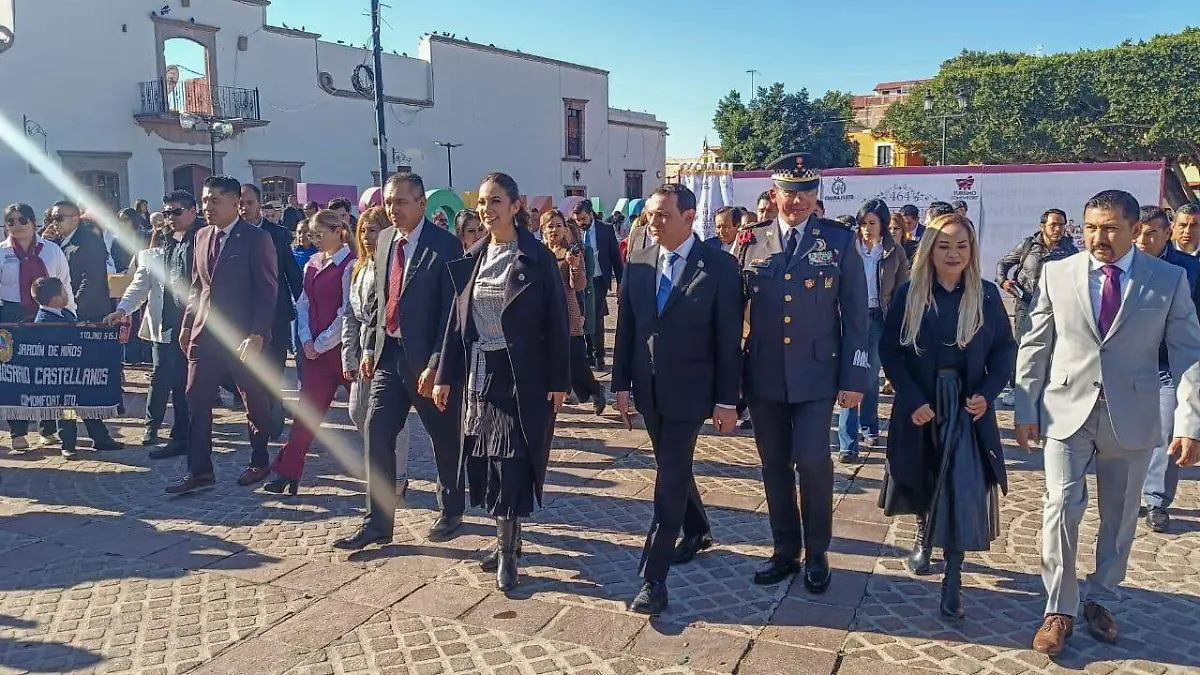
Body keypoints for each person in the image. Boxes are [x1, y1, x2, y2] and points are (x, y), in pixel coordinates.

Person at [1015, 190, 1200, 657]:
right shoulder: (1059, 273)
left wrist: (1189, 422)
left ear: (1135, 230)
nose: (1099, 237)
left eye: (1111, 227)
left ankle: (1101, 597)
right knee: (1060, 505)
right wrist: (1024, 407)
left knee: (1118, 518)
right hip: (1065, 409)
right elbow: (1036, 342)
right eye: (1092, 227)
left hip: (1132, 414)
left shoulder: (1168, 278)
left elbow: (1187, 352)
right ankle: (1059, 607)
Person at [733, 152, 870, 593]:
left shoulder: (839, 240)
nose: (797, 202)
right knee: (773, 465)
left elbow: (856, 315)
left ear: (816, 196)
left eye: (806, 193)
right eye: (790, 194)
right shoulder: (750, 241)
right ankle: (784, 550)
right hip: (764, 374)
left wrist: (855, 378)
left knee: (812, 462)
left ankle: (818, 551)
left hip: (817, 374)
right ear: (775, 195)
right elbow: (734, 308)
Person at [433, 172, 571, 591]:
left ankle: (508, 555)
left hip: (520, 373)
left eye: (496, 202)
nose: (487, 210)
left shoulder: (535, 257)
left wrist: (558, 379)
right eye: (483, 202)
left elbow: (557, 322)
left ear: (515, 206)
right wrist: (444, 375)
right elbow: (457, 323)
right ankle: (504, 538)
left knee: (511, 460)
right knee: (488, 461)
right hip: (479, 371)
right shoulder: (473, 255)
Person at [612, 183, 742, 615]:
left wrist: (728, 400)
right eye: (650, 214)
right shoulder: (639, 261)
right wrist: (621, 386)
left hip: (691, 393)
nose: (653, 222)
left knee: (668, 477)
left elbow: (727, 341)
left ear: (689, 218)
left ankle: (654, 577)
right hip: (649, 391)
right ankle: (699, 529)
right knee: (673, 466)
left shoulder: (719, 267)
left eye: (663, 214)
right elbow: (627, 330)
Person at [878, 213, 1013, 619]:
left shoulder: (986, 294)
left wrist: (987, 395)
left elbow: (1005, 350)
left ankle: (952, 579)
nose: (954, 253)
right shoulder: (910, 293)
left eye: (961, 245)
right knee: (924, 474)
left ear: (972, 250)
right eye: (944, 245)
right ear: (929, 249)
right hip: (922, 403)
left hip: (966, 406)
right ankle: (924, 531)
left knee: (961, 484)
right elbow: (891, 350)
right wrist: (912, 397)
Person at [334, 173, 466, 550]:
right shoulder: (387, 239)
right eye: (390, 202)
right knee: (376, 432)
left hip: (429, 363)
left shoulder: (445, 246)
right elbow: (380, 296)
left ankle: (452, 508)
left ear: (422, 203)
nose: (394, 209)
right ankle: (377, 521)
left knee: (444, 439)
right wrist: (372, 348)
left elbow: (451, 312)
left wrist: (437, 364)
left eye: (402, 202)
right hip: (390, 356)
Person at [166, 176, 280, 495]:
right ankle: (199, 470)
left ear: (234, 203)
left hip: (243, 336)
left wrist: (258, 333)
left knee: (253, 398)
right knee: (194, 396)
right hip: (205, 333)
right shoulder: (200, 236)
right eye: (205, 200)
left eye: (215, 200)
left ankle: (260, 459)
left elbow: (267, 291)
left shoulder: (256, 239)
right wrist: (188, 325)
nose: (207, 206)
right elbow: (197, 287)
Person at [263, 210, 355, 494]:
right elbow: (302, 302)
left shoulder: (351, 264)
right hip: (315, 351)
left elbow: (347, 311)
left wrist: (322, 342)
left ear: (338, 231)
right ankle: (287, 471)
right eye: (311, 235)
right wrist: (305, 339)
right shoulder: (313, 263)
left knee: (365, 414)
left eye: (319, 234)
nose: (314, 241)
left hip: (342, 351)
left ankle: (390, 472)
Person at [106, 201, 198, 452]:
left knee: (186, 381)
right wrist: (123, 309)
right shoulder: (149, 257)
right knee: (160, 376)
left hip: (192, 325)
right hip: (163, 327)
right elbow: (138, 288)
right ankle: (152, 425)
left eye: (175, 214)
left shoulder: (197, 249)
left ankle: (185, 432)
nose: (170, 221)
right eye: (166, 216)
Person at [1133, 206, 1200, 534]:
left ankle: (1156, 499)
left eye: (1151, 233)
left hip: (1167, 366)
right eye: (1139, 232)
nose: (1143, 240)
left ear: (1166, 233)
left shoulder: (1188, 270)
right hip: (1127, 364)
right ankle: (1127, 494)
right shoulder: (1122, 266)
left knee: (1168, 430)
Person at [343, 207, 411, 497]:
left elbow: (381, 314)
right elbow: (350, 313)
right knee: (357, 410)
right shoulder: (356, 268)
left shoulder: (393, 266)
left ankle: (397, 474)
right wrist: (349, 353)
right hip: (362, 346)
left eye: (373, 230)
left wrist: (371, 349)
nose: (367, 236)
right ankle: (382, 459)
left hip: (385, 347)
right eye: (363, 231)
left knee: (390, 414)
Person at [837, 199, 910, 462]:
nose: (867, 229)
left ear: (882, 225)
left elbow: (903, 289)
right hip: (851, 318)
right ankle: (847, 442)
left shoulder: (893, 251)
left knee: (869, 377)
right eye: (863, 223)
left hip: (879, 318)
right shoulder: (848, 246)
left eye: (872, 223)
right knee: (850, 376)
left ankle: (869, 425)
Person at [1, 204, 74, 452]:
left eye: (22, 220)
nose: (16, 225)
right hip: (13, 316)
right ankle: (18, 431)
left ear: (33, 222)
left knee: (48, 371)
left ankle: (48, 428)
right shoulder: (1, 253)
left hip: (48, 313)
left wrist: (70, 314)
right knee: (16, 374)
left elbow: (65, 283)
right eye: (10, 222)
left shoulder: (52, 251)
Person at [994, 209, 1077, 418]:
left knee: (1053, 347)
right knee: (1022, 345)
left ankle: (1046, 389)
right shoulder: (1028, 245)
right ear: (1043, 226)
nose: (1058, 229)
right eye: (1053, 225)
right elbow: (1003, 263)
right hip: (1026, 303)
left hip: (1056, 306)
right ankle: (1015, 388)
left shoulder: (1070, 251)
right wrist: (1003, 281)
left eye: (1061, 225)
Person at [31, 277, 124, 458]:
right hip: (60, 376)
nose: (67, 294)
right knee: (67, 411)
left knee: (88, 403)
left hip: (77, 371)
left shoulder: (65, 314)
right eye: (64, 292)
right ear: (55, 299)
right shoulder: (43, 321)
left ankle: (100, 438)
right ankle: (68, 443)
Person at [241, 183, 303, 438]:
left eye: (249, 203)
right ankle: (260, 417)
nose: (244, 209)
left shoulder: (277, 234)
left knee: (274, 369)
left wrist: (303, 303)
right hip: (244, 316)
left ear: (259, 204)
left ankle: (273, 414)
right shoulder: (233, 234)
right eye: (240, 204)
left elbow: (291, 271)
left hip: (276, 313)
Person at [542, 210, 606, 415]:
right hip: (544, 317)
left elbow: (578, 286)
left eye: (559, 225)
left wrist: (575, 267)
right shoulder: (539, 253)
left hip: (568, 314)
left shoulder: (572, 251)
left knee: (576, 360)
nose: (554, 230)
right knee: (551, 360)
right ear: (543, 229)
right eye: (550, 226)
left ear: (565, 228)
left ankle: (596, 390)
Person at [573, 199, 623, 371]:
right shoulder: (573, 230)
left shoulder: (605, 230)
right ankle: (588, 353)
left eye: (583, 219)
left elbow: (616, 257)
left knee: (597, 317)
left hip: (598, 279)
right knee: (583, 316)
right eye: (577, 219)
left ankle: (599, 355)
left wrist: (620, 283)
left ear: (591, 214)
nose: (580, 223)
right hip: (579, 280)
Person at [44, 201, 111, 322]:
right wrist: (44, 244)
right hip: (66, 310)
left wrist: (74, 308)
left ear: (75, 219)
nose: (54, 222)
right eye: (52, 218)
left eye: (59, 218)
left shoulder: (89, 240)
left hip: (88, 314)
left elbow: (91, 279)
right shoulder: (58, 241)